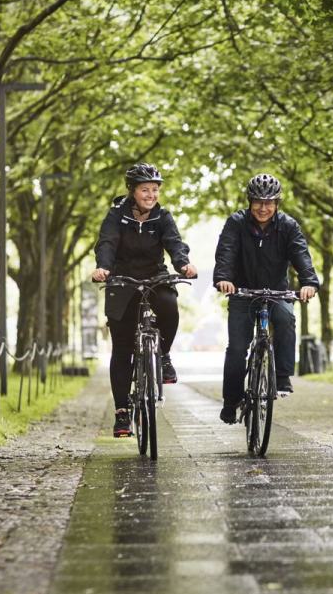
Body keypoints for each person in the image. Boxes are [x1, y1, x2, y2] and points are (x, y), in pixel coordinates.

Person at [91, 163, 197, 438]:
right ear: (132, 191)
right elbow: (107, 243)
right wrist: (103, 267)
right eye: (145, 190)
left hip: (153, 276)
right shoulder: (116, 215)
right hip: (122, 279)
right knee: (122, 347)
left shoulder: (162, 217)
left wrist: (183, 264)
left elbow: (174, 243)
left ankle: (162, 356)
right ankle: (122, 413)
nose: (151, 195)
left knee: (170, 307)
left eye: (155, 190)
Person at [213, 173, 319, 424]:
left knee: (285, 318)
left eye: (269, 202)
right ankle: (231, 401)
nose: (263, 208)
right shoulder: (236, 223)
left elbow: (301, 255)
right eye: (258, 202)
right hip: (242, 291)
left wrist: (309, 283)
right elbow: (226, 252)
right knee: (237, 349)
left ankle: (282, 377)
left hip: (276, 291)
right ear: (250, 202)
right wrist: (223, 279)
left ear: (277, 204)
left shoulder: (288, 226)